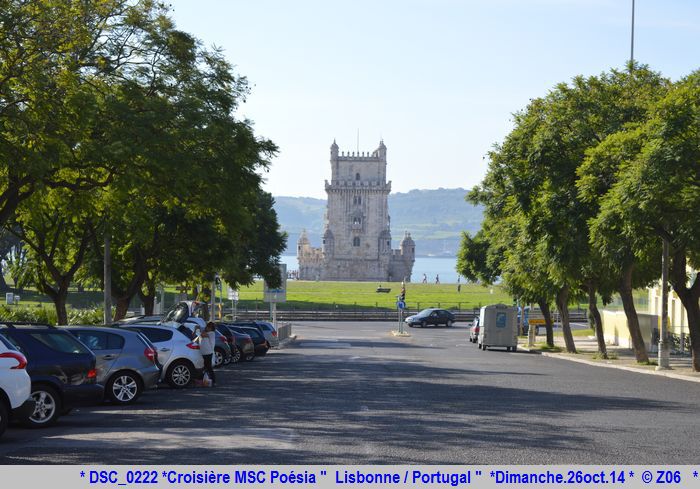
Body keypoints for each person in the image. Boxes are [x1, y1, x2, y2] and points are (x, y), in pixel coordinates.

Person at [199, 322, 217, 386]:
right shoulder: (208, 333)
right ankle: (205, 380)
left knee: (208, 367)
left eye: (207, 327)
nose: (206, 328)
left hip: (208, 352)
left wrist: (203, 329)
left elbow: (202, 334)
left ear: (210, 328)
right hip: (205, 352)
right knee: (206, 367)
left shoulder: (211, 333)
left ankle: (213, 381)